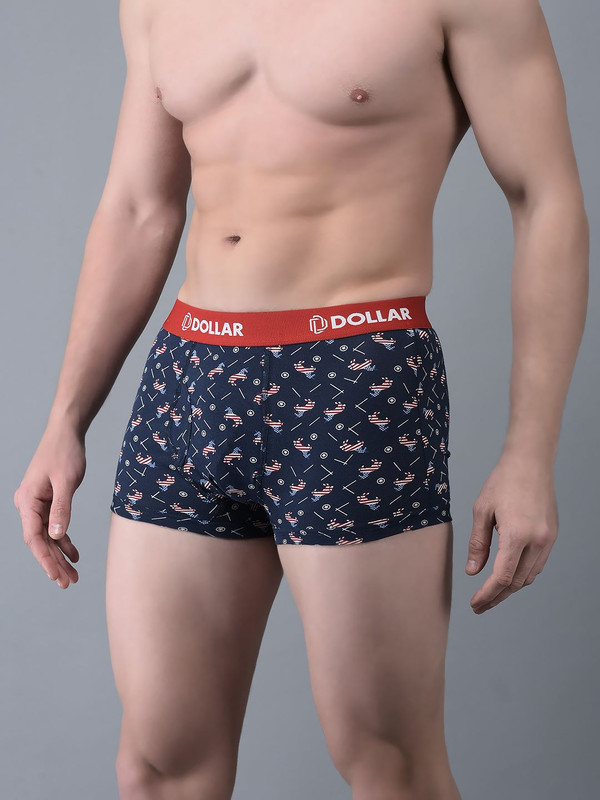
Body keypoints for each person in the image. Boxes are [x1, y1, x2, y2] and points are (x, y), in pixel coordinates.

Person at [14, 0, 589, 797]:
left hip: (355, 376)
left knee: (388, 763)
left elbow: (545, 199)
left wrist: (530, 452)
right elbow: (139, 208)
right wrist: (64, 418)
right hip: (189, 374)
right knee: (158, 768)